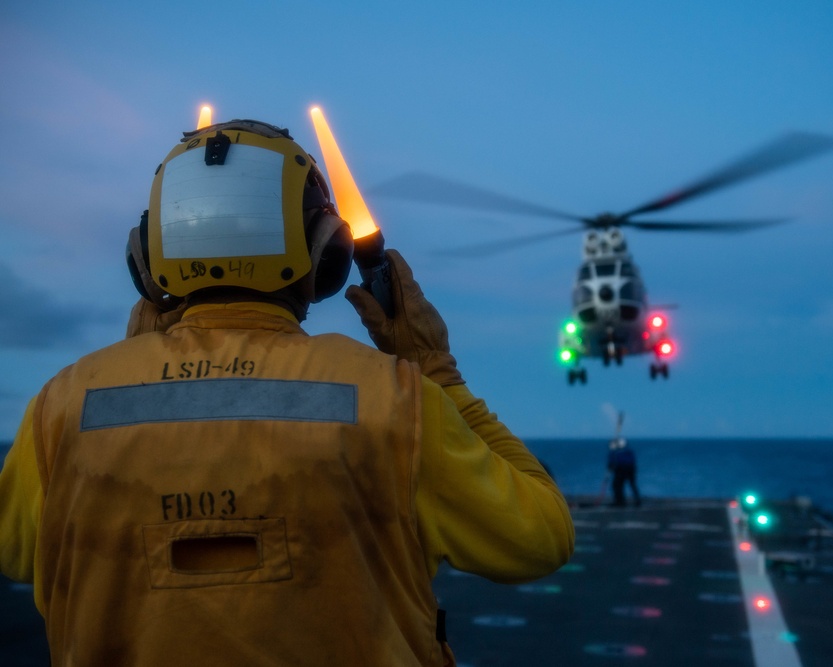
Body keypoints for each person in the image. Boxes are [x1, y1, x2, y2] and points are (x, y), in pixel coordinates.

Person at [0, 119, 574, 666]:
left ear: (148, 258)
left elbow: (18, 553)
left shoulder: (63, 405)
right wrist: (435, 369)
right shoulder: (394, 398)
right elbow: (539, 537)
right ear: (325, 254)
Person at [607, 437, 641, 507]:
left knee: (617, 486)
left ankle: (620, 502)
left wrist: (611, 466)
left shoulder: (617, 452)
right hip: (630, 469)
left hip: (622, 470)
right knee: (630, 485)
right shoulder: (627, 452)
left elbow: (613, 462)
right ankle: (635, 500)